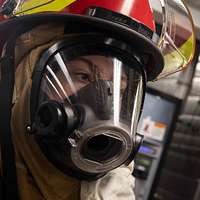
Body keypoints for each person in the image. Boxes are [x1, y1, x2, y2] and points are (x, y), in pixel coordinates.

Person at [0, 0, 195, 200]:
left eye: (119, 88)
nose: (104, 101)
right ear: (25, 78)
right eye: (82, 76)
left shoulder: (114, 189)